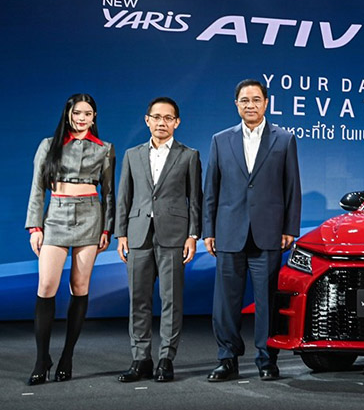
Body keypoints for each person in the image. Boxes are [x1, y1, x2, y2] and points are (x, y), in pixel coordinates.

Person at [203, 79, 301, 382]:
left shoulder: (284, 139)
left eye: (256, 99)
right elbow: (211, 189)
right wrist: (209, 230)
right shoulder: (220, 140)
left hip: (268, 233)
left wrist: (290, 227)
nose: (250, 105)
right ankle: (227, 358)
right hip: (228, 232)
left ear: (266, 103)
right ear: (236, 104)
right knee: (225, 303)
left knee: (267, 302)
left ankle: (266, 360)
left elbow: (292, 187)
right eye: (244, 100)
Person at [24, 93, 115, 385]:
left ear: (94, 116)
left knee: (79, 286)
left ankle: (67, 357)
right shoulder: (48, 145)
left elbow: (109, 193)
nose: (82, 118)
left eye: (87, 113)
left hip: (90, 216)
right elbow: (37, 188)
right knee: (46, 285)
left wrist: (107, 230)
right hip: (56, 215)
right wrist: (35, 227)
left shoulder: (104, 149)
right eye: (77, 113)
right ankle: (42, 359)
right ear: (68, 114)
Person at [115, 97, 202, 383]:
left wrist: (193, 235)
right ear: (147, 120)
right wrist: (121, 234)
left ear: (177, 122)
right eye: (156, 117)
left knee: (171, 300)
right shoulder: (132, 155)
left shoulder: (189, 155)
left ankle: (166, 358)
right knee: (138, 299)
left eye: (168, 118)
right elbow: (124, 197)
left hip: (174, 235)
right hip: (138, 234)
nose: (161, 122)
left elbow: (195, 200)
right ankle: (140, 358)